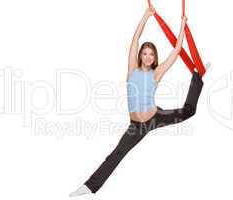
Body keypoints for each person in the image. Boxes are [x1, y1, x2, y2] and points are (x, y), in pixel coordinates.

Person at [69, 5, 210, 197]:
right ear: (140, 56)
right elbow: (135, 39)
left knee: (188, 111)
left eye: (151, 54)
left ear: (154, 58)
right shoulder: (132, 69)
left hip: (155, 116)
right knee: (116, 154)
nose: (148, 56)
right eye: (145, 53)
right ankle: (89, 187)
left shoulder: (156, 73)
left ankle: (198, 76)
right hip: (137, 125)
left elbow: (176, 51)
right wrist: (146, 16)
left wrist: (183, 25)